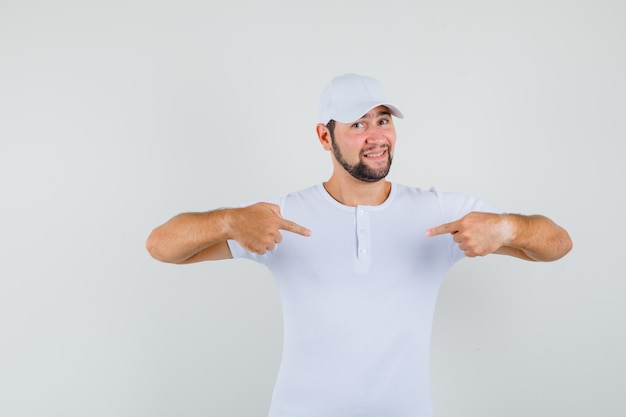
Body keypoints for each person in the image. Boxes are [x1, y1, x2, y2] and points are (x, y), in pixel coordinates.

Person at [146, 73, 572, 417]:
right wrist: (228, 220)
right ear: (323, 136)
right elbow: (162, 245)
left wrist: (508, 229)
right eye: (358, 124)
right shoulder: (279, 217)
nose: (375, 136)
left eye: (383, 120)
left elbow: (558, 243)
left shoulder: (438, 211)